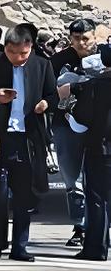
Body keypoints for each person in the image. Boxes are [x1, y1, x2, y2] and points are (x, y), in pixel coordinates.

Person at [0, 22, 54, 260]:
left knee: (24, 196)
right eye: (12, 52)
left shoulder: (42, 65)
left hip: (27, 139)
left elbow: (51, 92)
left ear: (30, 47)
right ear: (5, 47)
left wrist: (45, 104)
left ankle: (20, 246)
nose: (18, 58)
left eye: (23, 53)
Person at [52, 18, 98, 251]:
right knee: (72, 178)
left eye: (85, 38)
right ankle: (80, 226)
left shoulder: (104, 59)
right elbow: (48, 91)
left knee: (99, 179)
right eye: (76, 39)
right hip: (65, 125)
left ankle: (98, 226)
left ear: (94, 37)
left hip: (99, 127)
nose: (81, 43)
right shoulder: (59, 61)